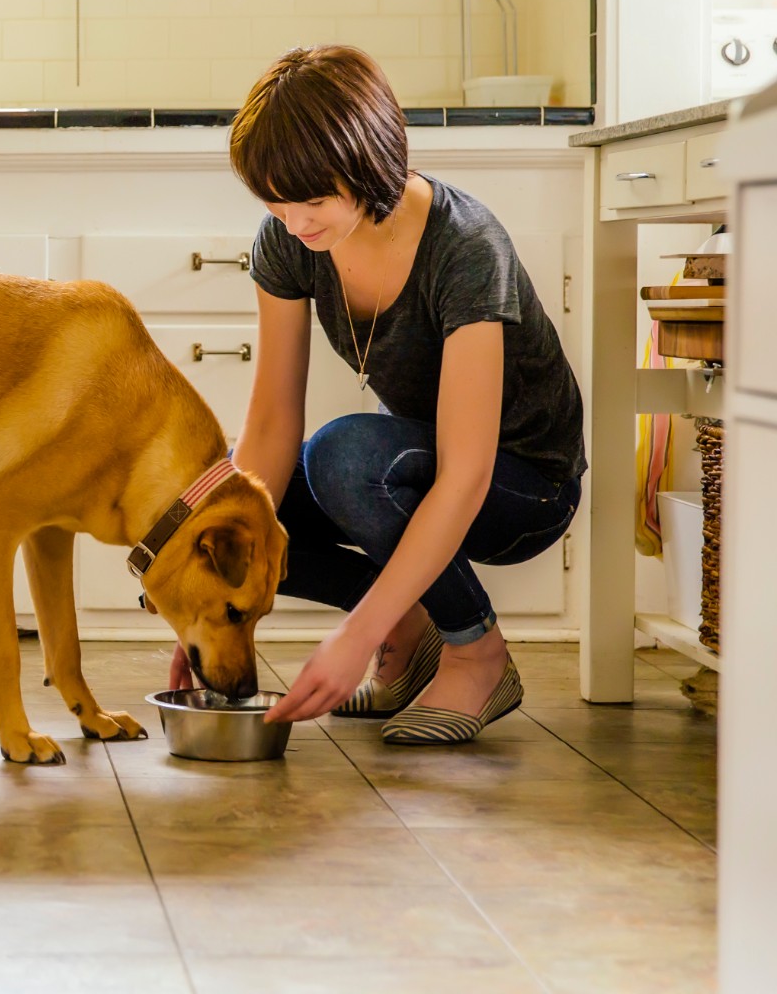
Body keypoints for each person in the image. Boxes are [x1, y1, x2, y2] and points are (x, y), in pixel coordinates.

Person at [172, 45, 585, 745]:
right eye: (275, 201)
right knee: (241, 516)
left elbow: (468, 473)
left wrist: (352, 638)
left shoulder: (465, 246)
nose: (295, 222)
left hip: (523, 488)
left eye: (312, 200)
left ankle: (476, 652)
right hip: (413, 472)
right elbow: (270, 427)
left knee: (342, 456)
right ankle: (408, 629)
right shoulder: (287, 241)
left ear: (368, 163)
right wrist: (206, 599)